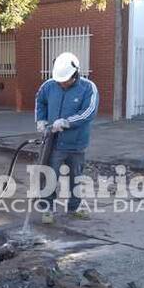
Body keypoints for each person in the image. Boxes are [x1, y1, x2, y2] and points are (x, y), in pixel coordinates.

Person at [34, 52, 98, 224]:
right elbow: (40, 101)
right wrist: (40, 119)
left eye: (65, 80)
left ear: (75, 74)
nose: (61, 83)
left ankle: (74, 208)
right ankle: (47, 209)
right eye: (59, 80)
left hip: (77, 143)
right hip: (54, 143)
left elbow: (88, 112)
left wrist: (66, 122)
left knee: (75, 178)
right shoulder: (49, 85)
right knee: (49, 176)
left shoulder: (88, 88)